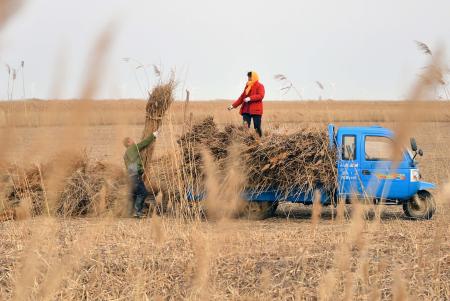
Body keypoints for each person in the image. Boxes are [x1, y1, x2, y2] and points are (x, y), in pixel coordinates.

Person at [123, 131, 158, 218]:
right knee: (143, 193)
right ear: (128, 143)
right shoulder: (133, 148)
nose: (134, 141)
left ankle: (131, 212)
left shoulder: (126, 154)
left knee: (134, 194)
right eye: (131, 140)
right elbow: (144, 143)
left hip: (130, 176)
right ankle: (137, 212)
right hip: (135, 175)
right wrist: (153, 135)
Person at [228, 71, 265, 137]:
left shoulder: (260, 86)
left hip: (256, 111)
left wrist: (250, 98)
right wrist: (233, 106)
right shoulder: (247, 86)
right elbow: (242, 97)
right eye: (248, 76)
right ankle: (246, 142)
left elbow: (261, 96)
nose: (248, 78)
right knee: (245, 128)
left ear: (254, 77)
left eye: (250, 76)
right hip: (246, 110)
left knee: (257, 127)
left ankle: (260, 140)